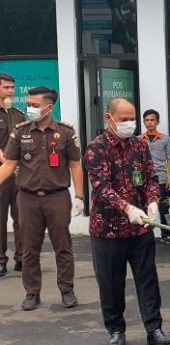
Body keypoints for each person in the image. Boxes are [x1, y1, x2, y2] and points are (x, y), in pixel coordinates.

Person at [84, 98, 170, 345]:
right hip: (107, 230)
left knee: (148, 279)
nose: (129, 124)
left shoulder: (140, 145)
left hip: (140, 228)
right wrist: (127, 208)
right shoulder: (96, 148)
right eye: (124, 119)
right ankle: (115, 330)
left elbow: (151, 178)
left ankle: (154, 329)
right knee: (111, 283)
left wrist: (152, 202)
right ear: (109, 118)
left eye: (132, 119)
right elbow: (101, 187)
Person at [0, 86, 83, 311]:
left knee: (62, 246)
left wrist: (79, 196)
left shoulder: (66, 132)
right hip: (28, 199)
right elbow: (8, 165)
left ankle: (67, 289)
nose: (30, 109)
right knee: (29, 249)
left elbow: (75, 165)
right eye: (29, 104)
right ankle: (32, 293)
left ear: (49, 107)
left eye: (35, 105)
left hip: (57, 197)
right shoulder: (20, 132)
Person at [0, 72, 25, 276]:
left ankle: (21, 258)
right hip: (1, 174)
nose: (11, 91)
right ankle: (1, 260)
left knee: (22, 217)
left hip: (18, 174)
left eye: (12, 88)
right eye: (6, 87)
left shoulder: (18, 114)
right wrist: (6, 159)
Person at [142, 109, 170, 243]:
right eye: (147, 120)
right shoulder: (138, 140)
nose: (149, 123)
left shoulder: (165, 139)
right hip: (144, 180)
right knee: (145, 208)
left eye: (152, 120)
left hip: (161, 178)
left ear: (157, 121)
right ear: (144, 122)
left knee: (164, 208)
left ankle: (166, 234)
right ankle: (144, 235)